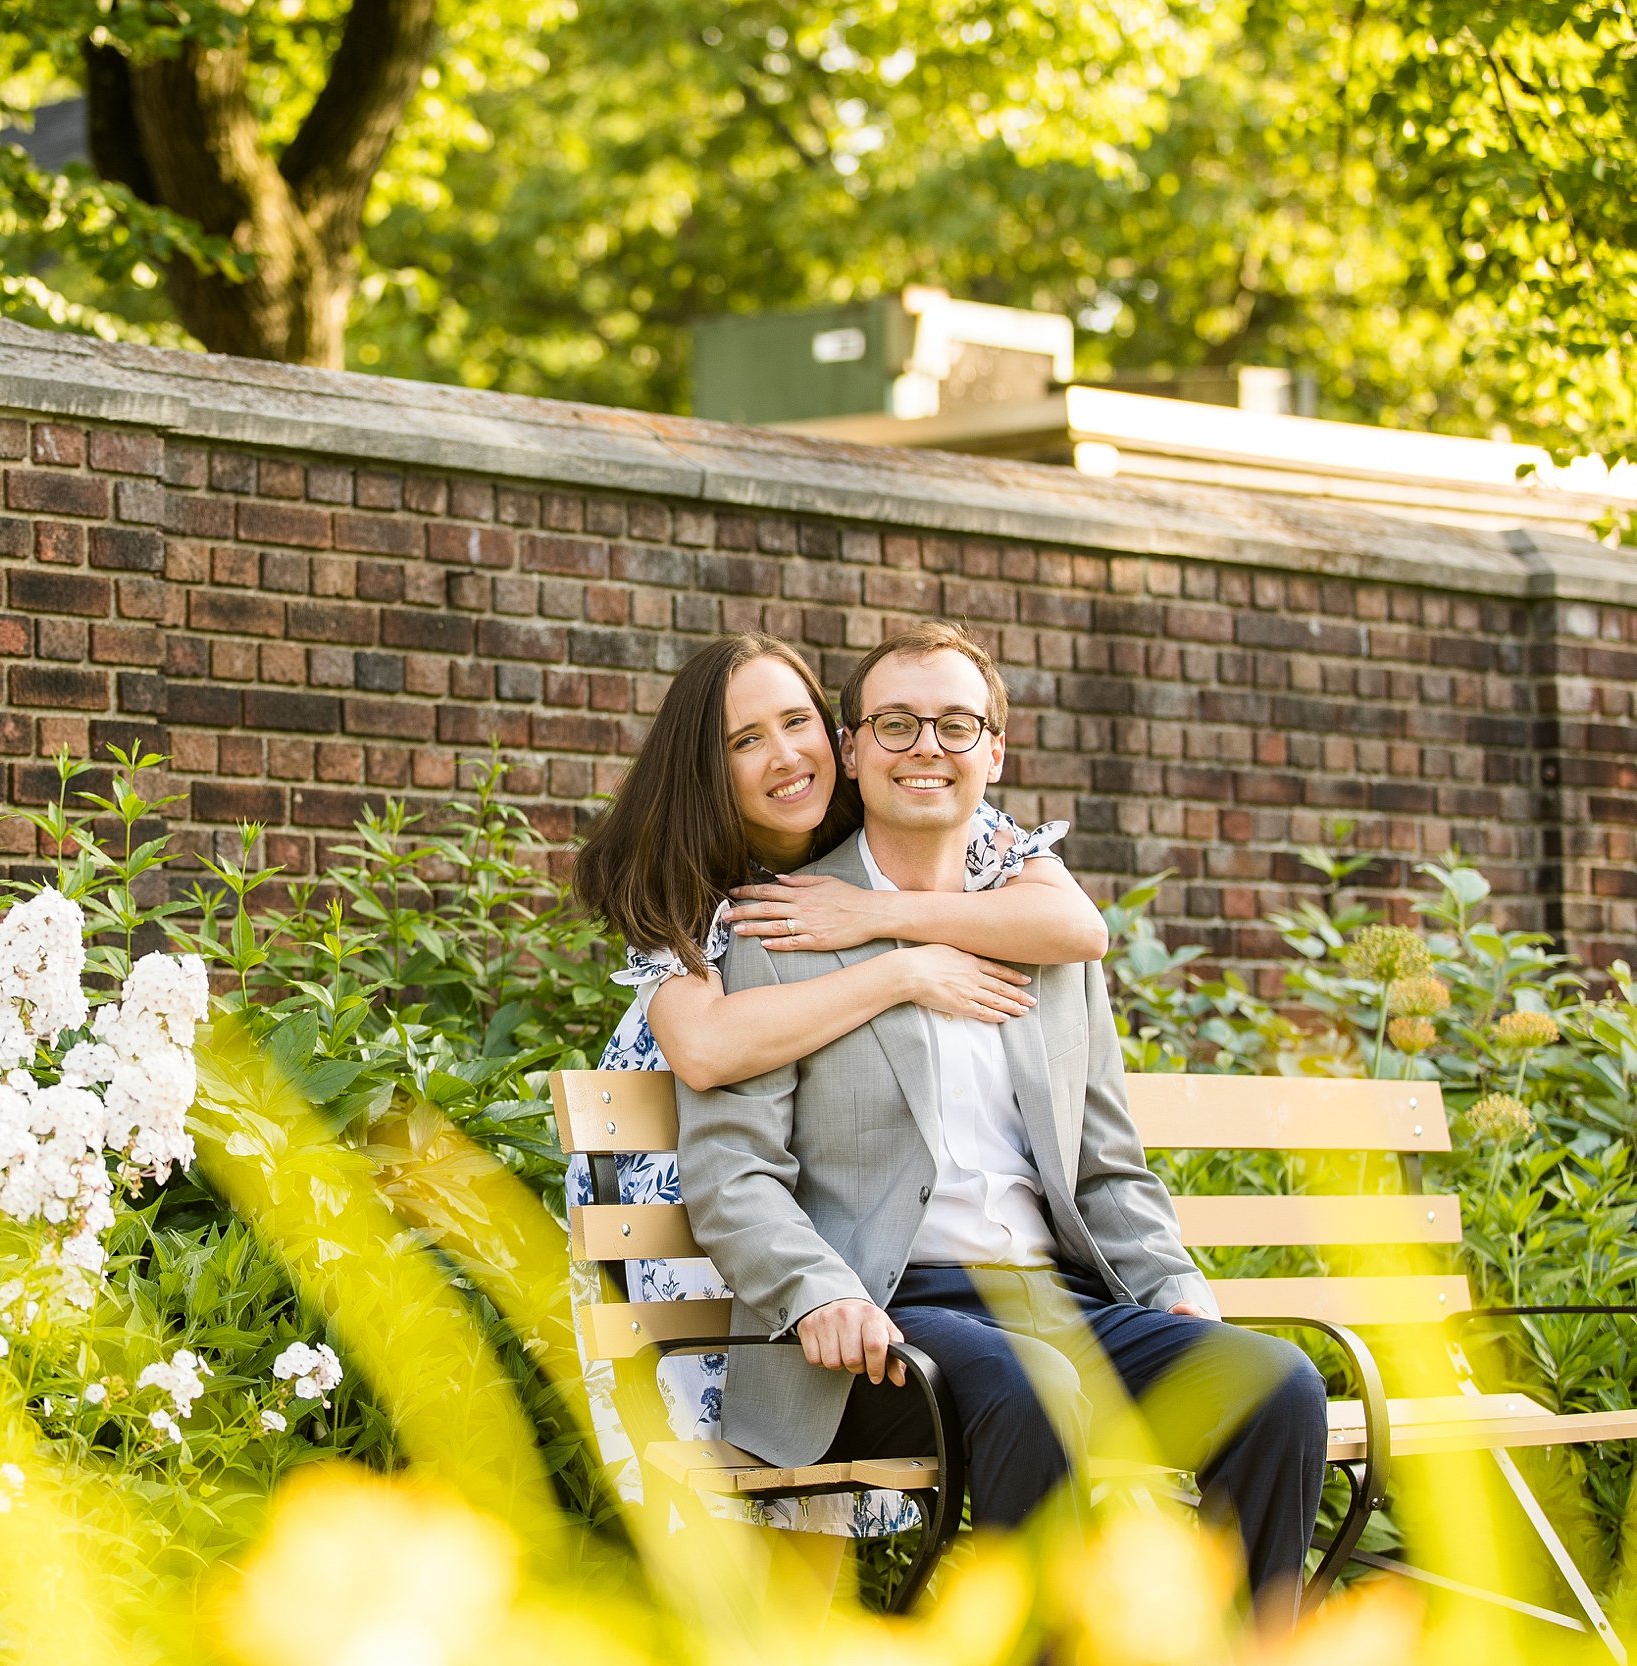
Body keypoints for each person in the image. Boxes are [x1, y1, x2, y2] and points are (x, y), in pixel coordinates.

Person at [675, 621, 1328, 1615]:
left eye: (954, 724)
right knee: (1035, 1392)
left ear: (995, 752)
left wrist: (1170, 1278)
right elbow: (732, 1170)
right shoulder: (781, 925)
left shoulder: (1040, 934)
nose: (925, 747)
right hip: (887, 1313)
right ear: (851, 751)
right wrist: (815, 1294)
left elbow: (1107, 1162)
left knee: (1275, 1382)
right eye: (894, 723)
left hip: (1056, 1300)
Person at [567, 631, 1108, 1531]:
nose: (785, 756)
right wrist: (901, 970)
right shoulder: (686, 882)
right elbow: (705, 1051)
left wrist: (880, 914)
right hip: (702, 1202)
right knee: (776, 1506)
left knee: (826, 1514)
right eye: (745, 741)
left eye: (797, 722)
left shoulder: (893, 836)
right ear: (707, 769)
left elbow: (1075, 928)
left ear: (839, 735)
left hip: (831, 1194)